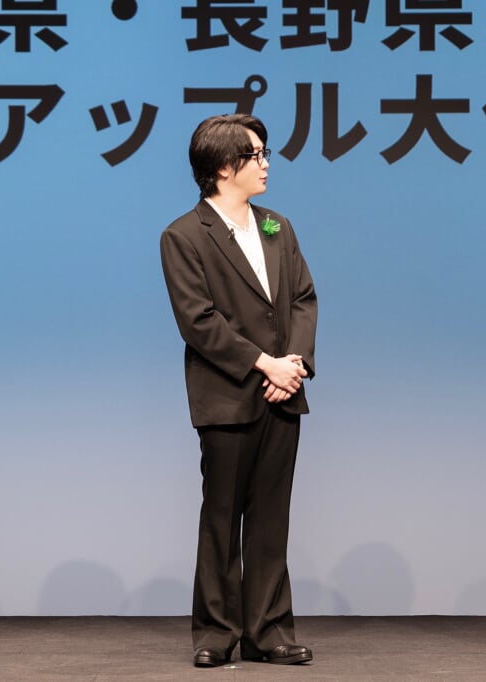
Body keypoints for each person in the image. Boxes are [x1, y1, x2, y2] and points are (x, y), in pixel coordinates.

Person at [160, 114, 317, 668]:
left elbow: (302, 299)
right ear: (225, 167)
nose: (266, 164)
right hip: (227, 395)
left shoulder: (278, 226)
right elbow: (198, 321)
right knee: (222, 518)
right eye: (257, 155)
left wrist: (294, 363)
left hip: (283, 391)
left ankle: (269, 630)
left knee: (272, 518)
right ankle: (215, 632)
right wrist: (264, 365)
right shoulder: (183, 235)